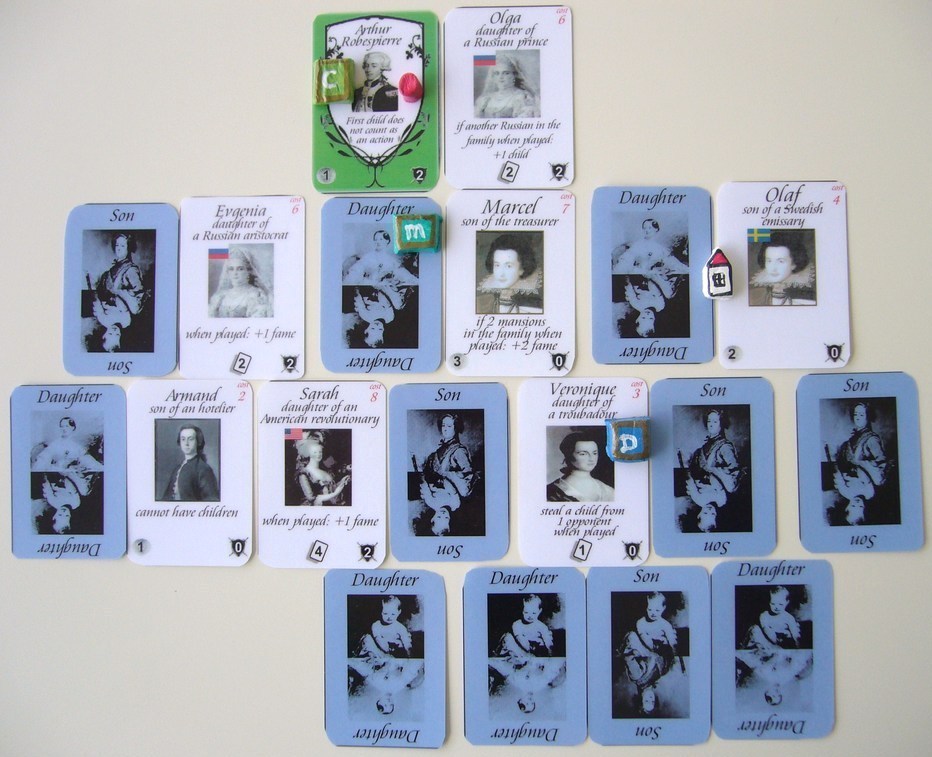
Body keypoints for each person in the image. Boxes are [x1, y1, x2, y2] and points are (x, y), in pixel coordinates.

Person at [488, 595, 565, 714]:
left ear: (520, 700)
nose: (530, 700)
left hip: (525, 654)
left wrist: (489, 661)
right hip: (535, 654)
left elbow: (506, 669)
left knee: (507, 640)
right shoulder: (539, 685)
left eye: (526, 703)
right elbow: (551, 669)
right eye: (532, 702)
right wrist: (555, 659)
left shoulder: (517, 682)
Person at [736, 586, 812, 707]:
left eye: (772, 694)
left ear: (767, 691)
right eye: (778, 694)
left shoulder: (766, 676)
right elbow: (797, 662)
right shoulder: (785, 677)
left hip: (772, 647)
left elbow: (759, 663)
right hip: (779, 646)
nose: (776, 692)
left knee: (754, 632)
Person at [348, 595, 423, 715]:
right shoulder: (398, 686)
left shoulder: (376, 683)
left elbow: (366, 670)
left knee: (366, 642)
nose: (388, 702)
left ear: (379, 700)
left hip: (386, 654)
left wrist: (351, 662)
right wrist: (417, 662)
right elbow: (410, 672)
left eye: (385, 704)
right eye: (390, 704)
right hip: (394, 655)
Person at [680, 409, 743, 532]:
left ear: (721, 424)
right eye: (709, 421)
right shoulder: (702, 449)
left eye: (715, 421)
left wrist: (712, 472)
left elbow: (734, 471)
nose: (711, 424)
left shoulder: (725, 447)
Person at [416, 413, 476, 535]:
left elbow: (467, 475)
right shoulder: (436, 453)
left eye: (449, 426)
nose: (445, 429)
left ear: (456, 428)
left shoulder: (459, 451)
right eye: (443, 425)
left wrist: (444, 477)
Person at [621, 592, 680, 715]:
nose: (650, 698)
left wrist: (638, 652)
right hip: (654, 644)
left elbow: (628, 656)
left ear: (641, 699)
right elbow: (665, 658)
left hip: (639, 643)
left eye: (646, 701)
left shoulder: (637, 677)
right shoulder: (657, 677)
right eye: (652, 701)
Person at [830, 401, 889, 525]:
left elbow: (882, 464)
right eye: (856, 414)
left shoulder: (871, 439)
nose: (858, 417)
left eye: (862, 414)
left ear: (868, 417)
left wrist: (859, 465)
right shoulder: (849, 442)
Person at [476, 233, 543, 314]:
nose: (501, 273)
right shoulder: (483, 302)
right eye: (497, 265)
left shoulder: (534, 306)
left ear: (522, 268)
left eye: (508, 266)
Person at [749, 232, 816, 306]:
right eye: (769, 261)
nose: (773, 268)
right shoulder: (754, 295)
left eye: (780, 261)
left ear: (794, 264)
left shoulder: (806, 299)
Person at [546, 431, 614, 502]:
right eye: (583, 454)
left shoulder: (607, 490)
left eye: (594, 453)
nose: (591, 458)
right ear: (569, 455)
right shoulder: (552, 492)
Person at [159, 425, 220, 502]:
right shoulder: (177, 469)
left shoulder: (204, 469)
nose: (186, 443)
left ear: (198, 442)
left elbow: (211, 499)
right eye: (183, 439)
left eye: (190, 439)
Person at [208, 247, 273, 318]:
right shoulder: (220, 296)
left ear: (249, 271)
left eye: (240, 269)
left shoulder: (256, 295)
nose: (235, 273)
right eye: (231, 269)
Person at [95, 233, 147, 316]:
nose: (118, 249)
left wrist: (119, 295)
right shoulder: (107, 273)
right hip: (107, 314)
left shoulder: (131, 270)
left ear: (128, 248)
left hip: (125, 317)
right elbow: (100, 293)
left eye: (122, 246)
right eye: (117, 245)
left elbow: (138, 294)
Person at [474, 53, 540, 118]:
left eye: (506, 73)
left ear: (515, 75)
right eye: (497, 73)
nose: (500, 77)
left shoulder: (522, 97)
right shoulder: (486, 99)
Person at [295, 433, 350, 506]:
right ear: (309, 453)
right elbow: (313, 500)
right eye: (315, 452)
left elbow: (331, 490)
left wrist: (342, 482)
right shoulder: (304, 474)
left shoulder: (325, 470)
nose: (318, 454)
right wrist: (335, 493)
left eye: (320, 452)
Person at [32, 417, 101, 472]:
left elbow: (88, 460)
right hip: (57, 473)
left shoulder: (76, 446)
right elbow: (43, 458)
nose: (64, 429)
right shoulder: (55, 444)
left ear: (73, 428)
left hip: (73, 473)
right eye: (62, 426)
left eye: (67, 426)